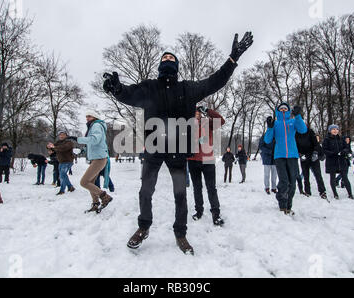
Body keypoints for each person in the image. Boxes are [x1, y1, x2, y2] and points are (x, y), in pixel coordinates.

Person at [103, 32, 253, 255]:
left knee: (180, 194)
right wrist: (117, 89)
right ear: (159, 65)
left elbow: (215, 81)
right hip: (153, 151)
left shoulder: (187, 89)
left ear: (177, 66)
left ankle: (180, 233)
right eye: (164, 58)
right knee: (145, 191)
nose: (167, 60)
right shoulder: (149, 87)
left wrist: (233, 59)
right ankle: (143, 227)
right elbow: (129, 94)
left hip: (178, 151)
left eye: (171, 59)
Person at [264, 103, 307, 215]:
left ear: (288, 111)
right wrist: (269, 127)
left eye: (285, 109)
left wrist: (298, 116)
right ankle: (282, 204)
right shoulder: (276, 123)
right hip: (279, 156)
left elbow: (303, 130)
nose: (283, 110)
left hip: (292, 155)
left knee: (292, 182)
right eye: (281, 109)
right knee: (284, 181)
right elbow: (267, 140)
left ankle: (288, 205)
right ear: (278, 111)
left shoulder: (292, 122)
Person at [188, 106, 225, 226]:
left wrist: (208, 110)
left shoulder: (207, 123)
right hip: (193, 160)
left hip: (208, 159)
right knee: (197, 188)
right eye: (194, 112)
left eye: (198, 112)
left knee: (211, 188)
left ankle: (216, 214)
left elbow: (221, 121)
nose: (196, 114)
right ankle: (199, 211)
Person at [73, 111, 113, 213]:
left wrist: (78, 139)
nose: (87, 118)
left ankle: (105, 197)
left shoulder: (96, 125)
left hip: (99, 159)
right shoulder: (93, 126)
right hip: (97, 158)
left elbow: (95, 140)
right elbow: (92, 144)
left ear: (95, 117)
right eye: (86, 116)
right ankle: (95, 203)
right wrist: (83, 151)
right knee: (90, 182)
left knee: (84, 182)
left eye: (89, 116)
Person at [322, 125, 354, 200]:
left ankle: (350, 194)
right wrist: (333, 153)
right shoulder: (327, 139)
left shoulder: (341, 139)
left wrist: (343, 152)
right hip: (332, 161)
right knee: (332, 178)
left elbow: (347, 148)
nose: (335, 130)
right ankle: (335, 194)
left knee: (345, 177)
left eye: (336, 129)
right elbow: (324, 150)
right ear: (330, 130)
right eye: (333, 129)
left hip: (341, 161)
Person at [295, 128, 328, 200]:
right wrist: (300, 155)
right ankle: (307, 191)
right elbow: (295, 146)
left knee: (318, 175)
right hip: (304, 157)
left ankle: (322, 191)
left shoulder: (310, 131)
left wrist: (315, 153)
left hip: (313, 156)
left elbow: (316, 143)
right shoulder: (295, 133)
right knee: (306, 176)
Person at [48, 132, 76, 196]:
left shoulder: (69, 142)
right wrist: (49, 146)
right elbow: (53, 148)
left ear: (66, 136)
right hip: (61, 161)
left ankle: (62, 190)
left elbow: (63, 148)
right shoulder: (58, 142)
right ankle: (70, 187)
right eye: (60, 135)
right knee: (63, 175)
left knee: (62, 175)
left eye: (63, 135)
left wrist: (54, 147)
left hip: (68, 161)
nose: (61, 136)